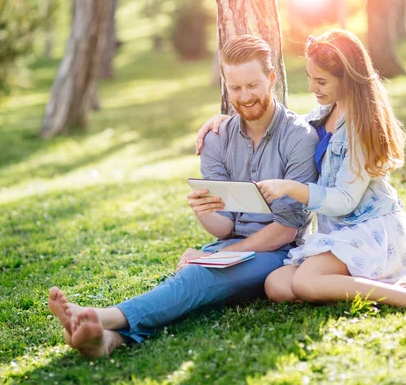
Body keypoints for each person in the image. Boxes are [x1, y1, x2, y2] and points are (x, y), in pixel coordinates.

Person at [48, 34, 319, 358]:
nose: (244, 97)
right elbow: (224, 227)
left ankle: (104, 316)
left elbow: (287, 229)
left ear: (272, 78)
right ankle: (107, 341)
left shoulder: (299, 138)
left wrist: (218, 257)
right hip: (230, 245)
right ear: (225, 84)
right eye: (235, 88)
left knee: (197, 278)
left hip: (281, 253)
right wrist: (203, 212)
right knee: (188, 285)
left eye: (252, 85)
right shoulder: (217, 139)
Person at [195, 30, 406, 317]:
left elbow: (344, 200)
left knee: (305, 282)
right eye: (309, 77)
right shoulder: (322, 115)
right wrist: (227, 119)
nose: (311, 88)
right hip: (340, 235)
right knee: (277, 285)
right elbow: (288, 126)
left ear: (348, 79)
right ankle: (402, 288)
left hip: (373, 232)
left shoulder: (360, 127)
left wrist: (290, 188)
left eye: (320, 81)